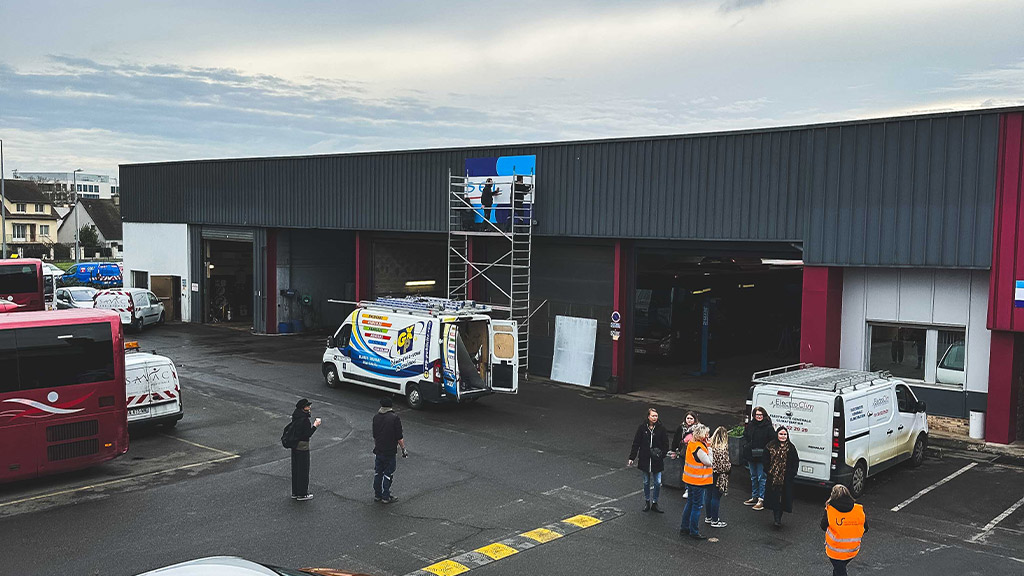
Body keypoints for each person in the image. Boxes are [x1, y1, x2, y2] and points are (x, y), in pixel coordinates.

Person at [628, 408, 670, 513]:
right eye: (653, 416)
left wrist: (662, 454)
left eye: (656, 416)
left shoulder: (661, 428)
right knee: (646, 481)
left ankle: (655, 502)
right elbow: (636, 443)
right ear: (648, 416)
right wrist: (632, 457)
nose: (655, 418)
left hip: (657, 460)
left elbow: (666, 443)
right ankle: (647, 501)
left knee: (658, 482)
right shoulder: (642, 428)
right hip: (645, 459)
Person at [821, 484, 868, 576]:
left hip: (834, 551)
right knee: (838, 569)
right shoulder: (858, 509)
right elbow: (866, 528)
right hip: (852, 550)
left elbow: (823, 526)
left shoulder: (830, 510)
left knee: (840, 571)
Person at [679, 424, 713, 540]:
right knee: (697, 506)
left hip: (690, 479)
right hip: (699, 481)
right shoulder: (700, 448)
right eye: (707, 434)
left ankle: (684, 527)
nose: (708, 436)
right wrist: (709, 448)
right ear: (702, 435)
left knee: (690, 503)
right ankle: (694, 531)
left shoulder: (692, 444)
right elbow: (709, 462)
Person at [763, 426, 800, 528]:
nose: (783, 436)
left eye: (785, 434)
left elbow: (795, 462)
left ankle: (779, 518)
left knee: (783, 499)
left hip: (786, 478)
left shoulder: (791, 448)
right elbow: (765, 460)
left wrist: (792, 473)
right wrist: (768, 471)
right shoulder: (770, 446)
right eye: (781, 434)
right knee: (774, 498)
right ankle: (776, 517)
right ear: (777, 434)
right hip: (773, 478)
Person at [372, 397, 407, 503]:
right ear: (390, 406)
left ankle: (377, 495)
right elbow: (399, 436)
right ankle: (386, 496)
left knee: (378, 472)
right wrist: (403, 449)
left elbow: (375, 435)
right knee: (388, 473)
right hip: (390, 451)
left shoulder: (376, 417)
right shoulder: (394, 418)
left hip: (379, 450)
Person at [743, 406, 774, 510]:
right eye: (757, 415)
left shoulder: (768, 427)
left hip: (763, 456)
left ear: (764, 415)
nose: (759, 417)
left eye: (760, 415)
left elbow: (772, 441)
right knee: (753, 476)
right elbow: (746, 435)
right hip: (751, 455)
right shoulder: (751, 425)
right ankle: (754, 496)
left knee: (762, 478)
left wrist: (766, 451)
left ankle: (761, 499)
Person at [290, 398, 321, 501]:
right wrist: (315, 426)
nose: (309, 407)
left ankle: (295, 492)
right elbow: (307, 434)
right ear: (304, 408)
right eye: (308, 406)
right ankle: (302, 493)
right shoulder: (305, 420)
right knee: (303, 470)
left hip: (294, 446)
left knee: (296, 470)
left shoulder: (296, 417)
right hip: (303, 447)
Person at [704, 426, 731, 528]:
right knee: (716, 497)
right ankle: (715, 520)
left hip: (708, 474)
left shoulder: (709, 446)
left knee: (708, 495)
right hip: (719, 475)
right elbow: (723, 466)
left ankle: (708, 517)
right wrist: (729, 468)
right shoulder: (722, 448)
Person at [671, 411, 701, 499]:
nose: (689, 420)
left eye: (691, 418)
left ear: (695, 419)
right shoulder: (681, 427)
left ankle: (693, 488)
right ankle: (687, 489)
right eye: (688, 418)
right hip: (683, 452)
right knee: (685, 471)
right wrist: (673, 450)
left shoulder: (698, 428)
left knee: (693, 471)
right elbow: (676, 439)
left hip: (694, 453)